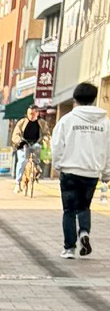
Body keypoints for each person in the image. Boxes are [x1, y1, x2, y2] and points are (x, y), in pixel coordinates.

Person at [49, 80, 110, 256]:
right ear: (94, 98)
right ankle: (84, 232)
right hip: (92, 171)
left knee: (69, 210)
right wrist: (106, 172)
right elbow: (108, 149)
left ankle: (69, 248)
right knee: (84, 207)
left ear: (75, 98)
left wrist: (58, 164)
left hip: (70, 170)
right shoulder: (105, 122)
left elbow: (57, 145)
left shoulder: (67, 120)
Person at [15, 111, 43, 185]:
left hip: (36, 144)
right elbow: (16, 134)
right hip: (23, 144)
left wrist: (46, 140)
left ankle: (37, 171)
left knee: (38, 157)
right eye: (31, 113)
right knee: (22, 161)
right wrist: (18, 140)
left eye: (35, 113)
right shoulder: (22, 122)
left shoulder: (41, 123)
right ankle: (18, 182)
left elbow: (46, 134)